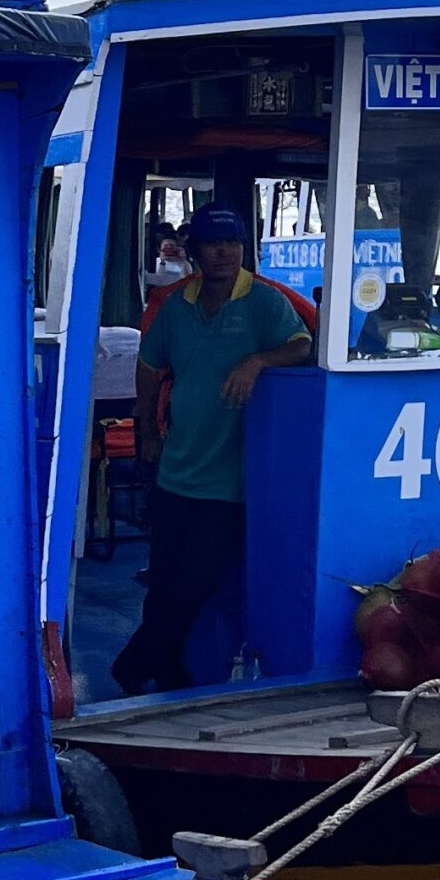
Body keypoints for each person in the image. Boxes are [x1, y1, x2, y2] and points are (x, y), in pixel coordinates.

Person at [111, 201, 310, 695]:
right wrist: (149, 432)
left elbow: (301, 344)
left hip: (231, 478)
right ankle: (169, 668)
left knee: (197, 583)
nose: (224, 253)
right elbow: (150, 365)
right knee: (163, 583)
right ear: (195, 251)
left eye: (233, 243)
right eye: (214, 244)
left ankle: (133, 665)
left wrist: (258, 361)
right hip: (177, 466)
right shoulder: (176, 306)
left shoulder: (265, 301)